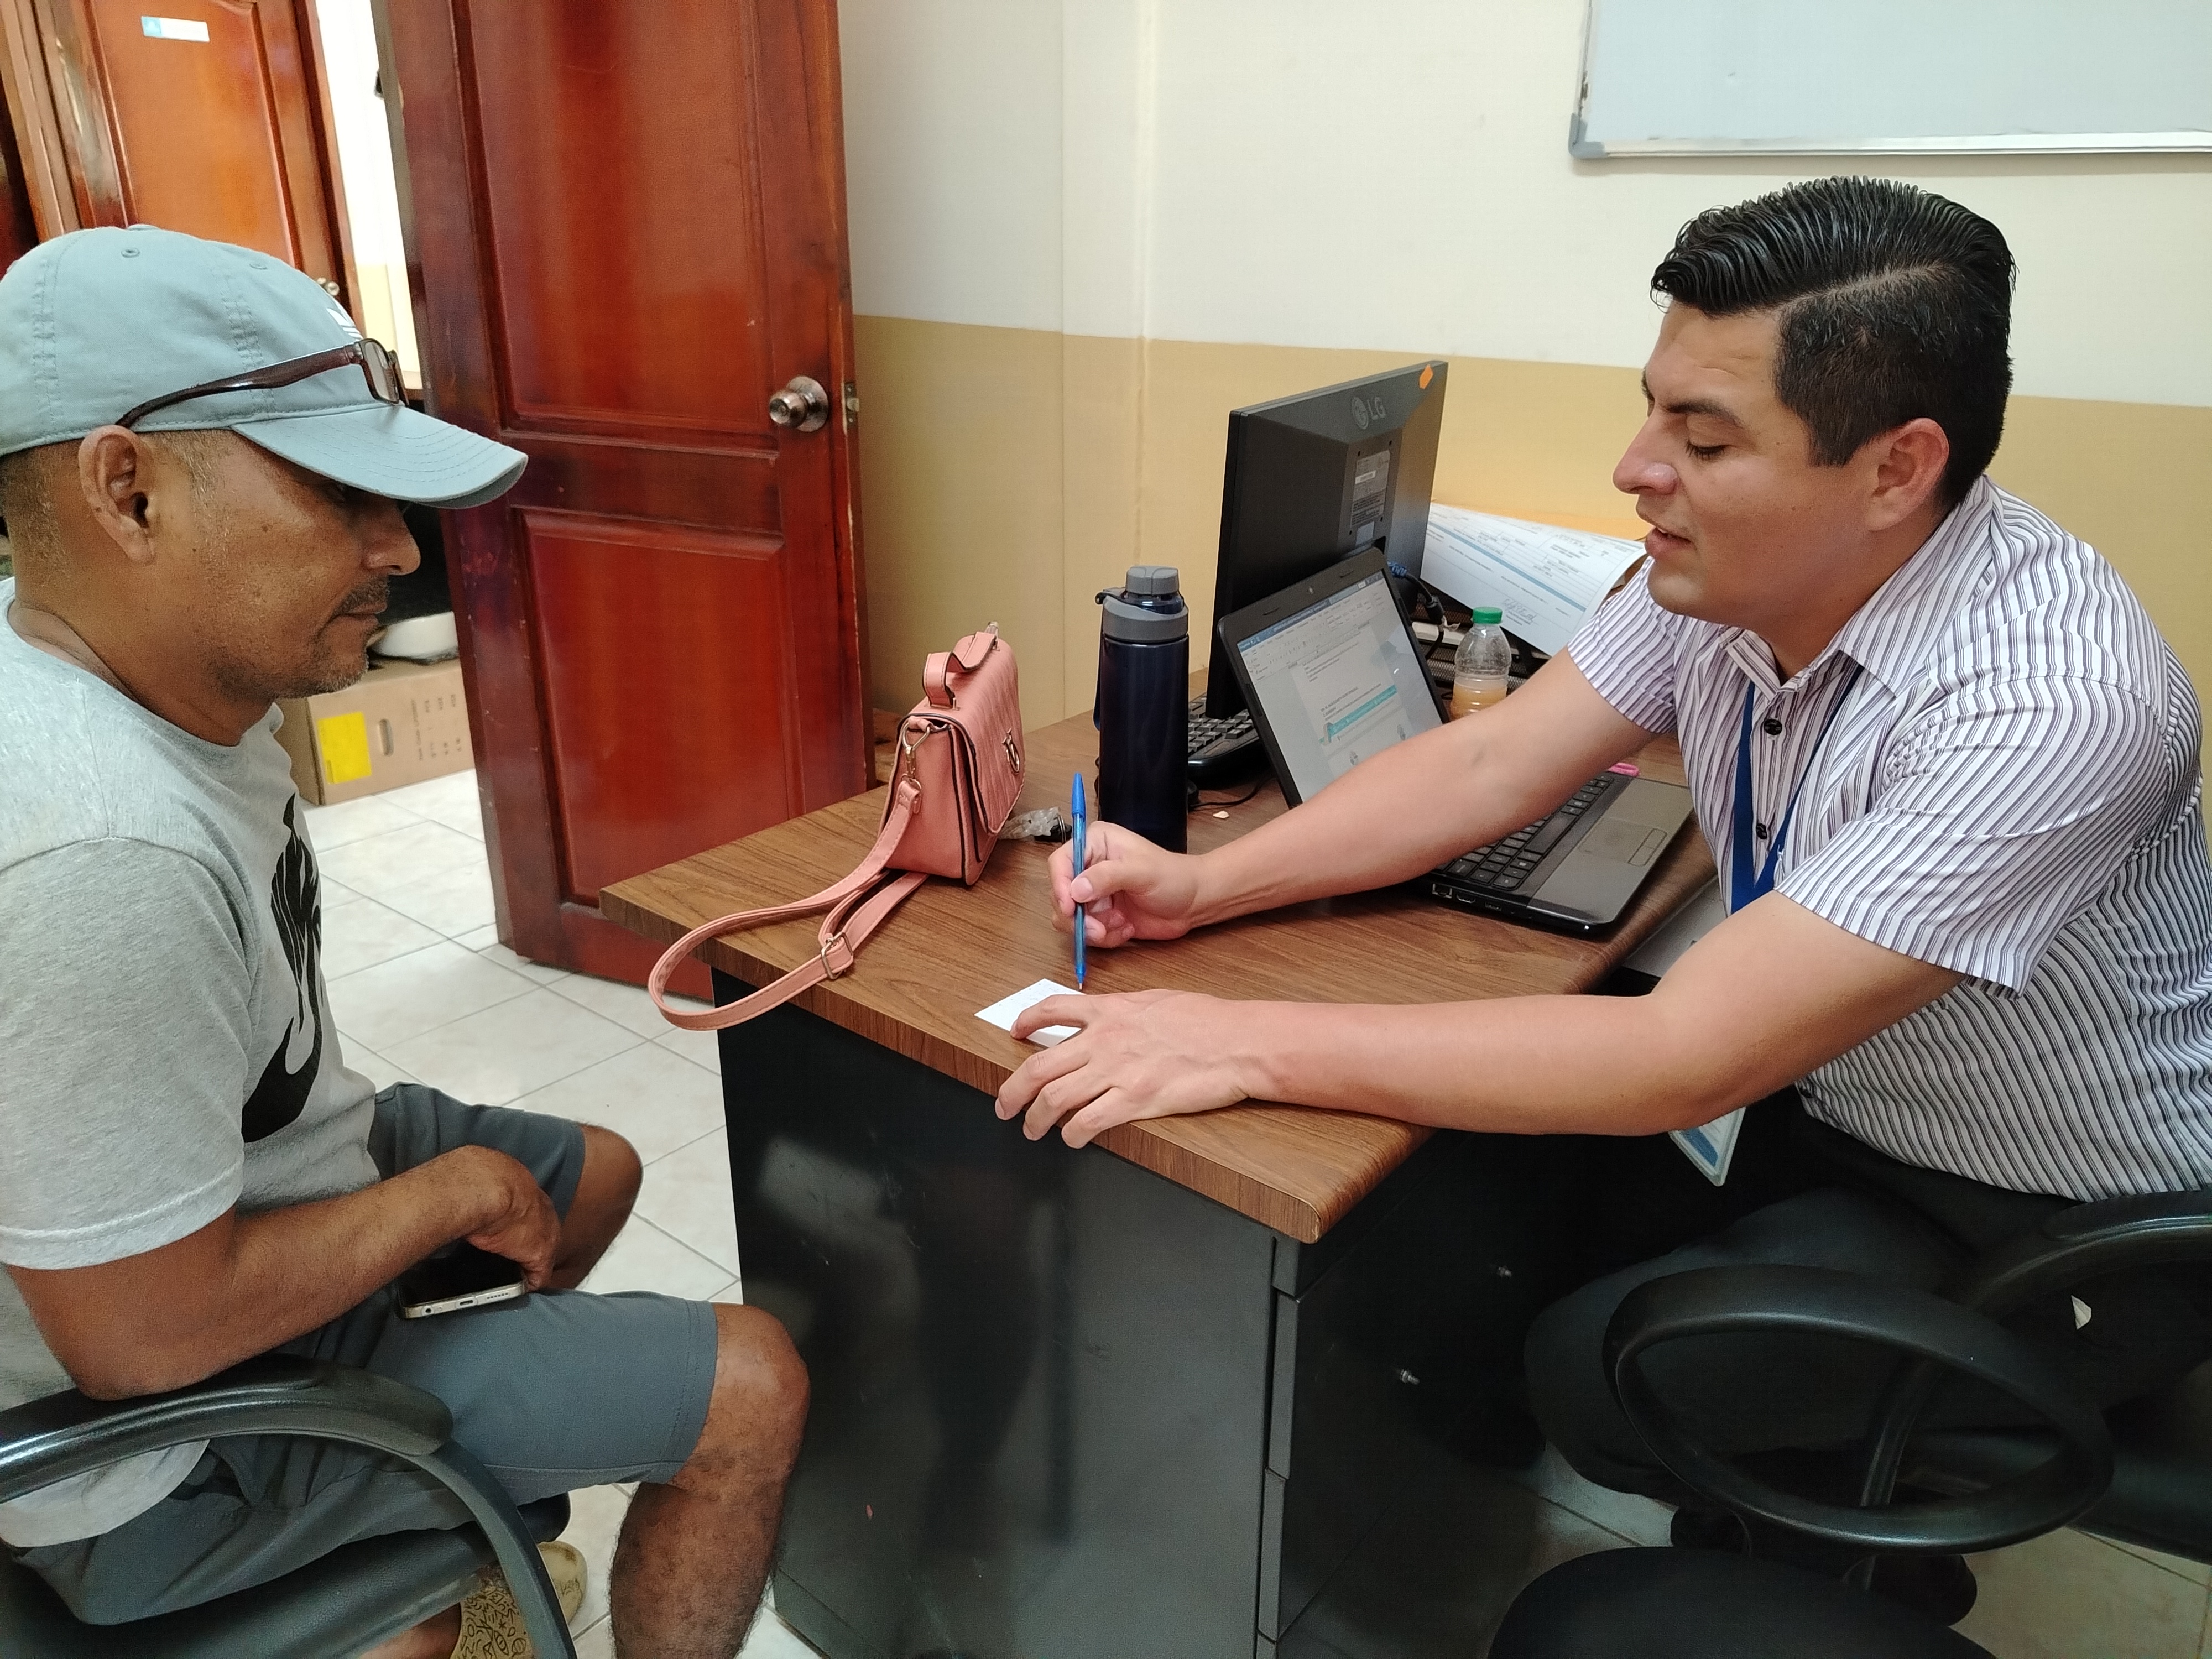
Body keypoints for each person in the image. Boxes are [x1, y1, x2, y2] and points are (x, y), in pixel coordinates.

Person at [995, 177, 2212, 1601]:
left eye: (1703, 439)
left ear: (1895, 469)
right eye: (1651, 412)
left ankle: (1840, 1564)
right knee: (1470, 1219)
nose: (1636, 469)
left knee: (1594, 1366)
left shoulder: (2047, 703)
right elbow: (1491, 762)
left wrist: (1233, 1039)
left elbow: (1682, 1055)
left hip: (2044, 1210)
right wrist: (1206, 888)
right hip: (1837, 1091)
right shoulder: (1731, 574)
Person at [0, 227, 806, 1659]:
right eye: (337, 492)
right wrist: (449, 1196)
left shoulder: (141, 674)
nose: (399, 546)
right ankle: (404, 1538)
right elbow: (138, 1342)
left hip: (254, 1183)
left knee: (596, 1175)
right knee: (750, 1386)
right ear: (127, 491)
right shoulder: (101, 855)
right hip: (155, 1459)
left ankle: (428, 1539)